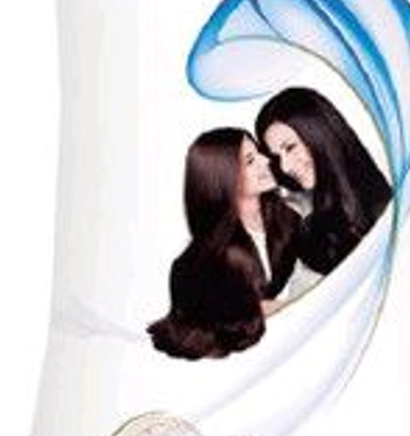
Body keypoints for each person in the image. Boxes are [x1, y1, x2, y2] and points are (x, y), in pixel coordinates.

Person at [147, 128, 300, 360]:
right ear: (224, 177)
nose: (266, 160)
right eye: (250, 161)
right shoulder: (199, 263)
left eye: (259, 152)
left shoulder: (291, 218)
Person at [256, 87, 392, 275]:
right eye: (277, 156)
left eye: (290, 147)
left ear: (319, 134)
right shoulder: (310, 228)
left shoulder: (388, 206)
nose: (285, 167)